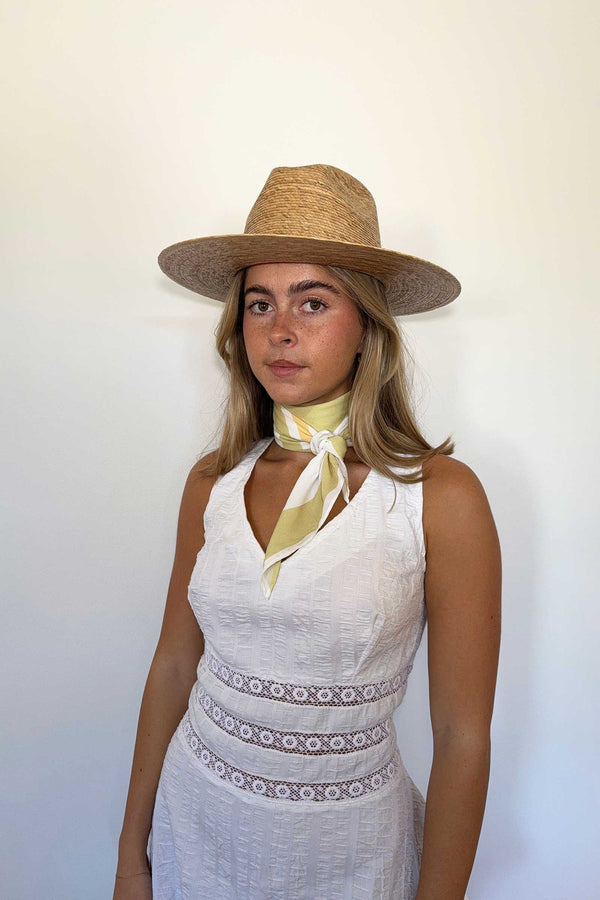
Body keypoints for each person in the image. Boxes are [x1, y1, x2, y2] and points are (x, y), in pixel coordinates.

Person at [113, 164, 501, 900]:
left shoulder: (441, 499)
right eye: (259, 304)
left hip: (349, 854)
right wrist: (132, 858)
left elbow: (462, 737)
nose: (280, 330)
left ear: (367, 325)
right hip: (195, 825)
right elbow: (171, 666)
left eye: (312, 302)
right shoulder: (212, 482)